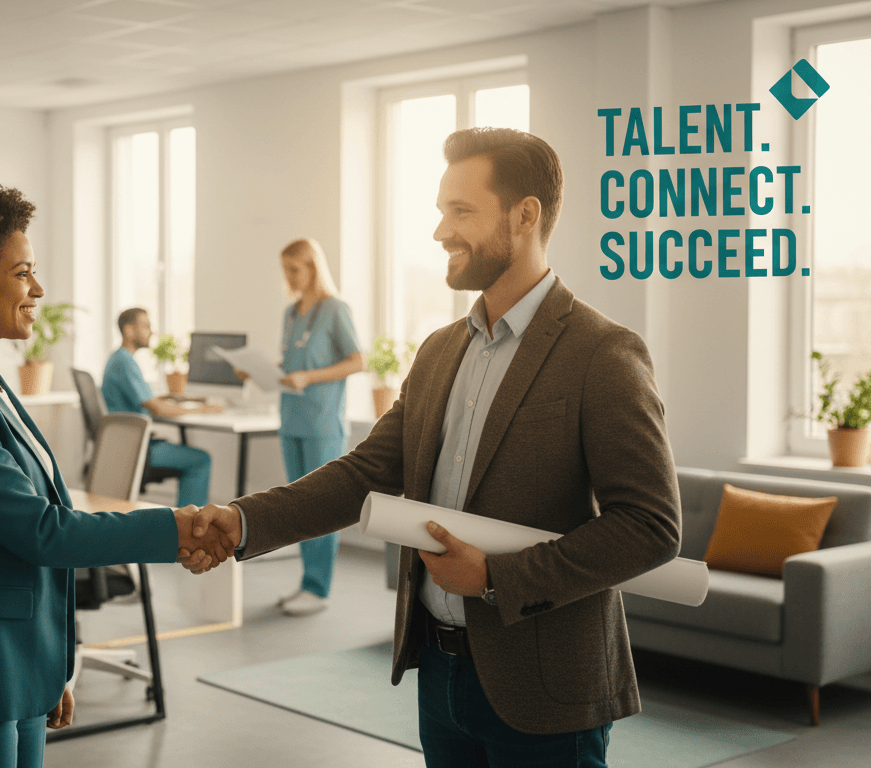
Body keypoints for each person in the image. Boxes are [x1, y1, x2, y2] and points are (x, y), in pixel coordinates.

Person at [191, 128, 682, 767]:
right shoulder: (441, 350)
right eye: (440, 211)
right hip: (440, 675)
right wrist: (243, 519)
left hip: (545, 689)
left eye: (461, 211)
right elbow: (366, 473)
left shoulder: (603, 353)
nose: (439, 232)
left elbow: (650, 526)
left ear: (525, 214)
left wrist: (495, 578)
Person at [0, 184, 229, 768]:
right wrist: (177, 528)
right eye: (22, 273)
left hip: (10, 665)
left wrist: (50, 664)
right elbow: (41, 532)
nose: (37, 289)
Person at [268, 237, 364, 616]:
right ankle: (306, 582)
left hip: (322, 423)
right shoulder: (291, 313)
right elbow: (289, 363)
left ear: (312, 268)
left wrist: (310, 378)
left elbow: (358, 361)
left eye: (295, 269)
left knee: (321, 507)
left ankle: (317, 588)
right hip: (291, 419)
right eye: (286, 270)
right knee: (298, 507)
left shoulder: (335, 310)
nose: (289, 277)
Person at [101, 307, 221, 507]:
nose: (151, 331)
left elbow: (148, 400)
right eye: (146, 326)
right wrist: (203, 409)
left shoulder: (119, 359)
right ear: (129, 331)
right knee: (201, 460)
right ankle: (190, 528)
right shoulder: (124, 362)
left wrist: (173, 398)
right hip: (137, 447)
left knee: (195, 456)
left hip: (127, 443)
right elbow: (157, 409)